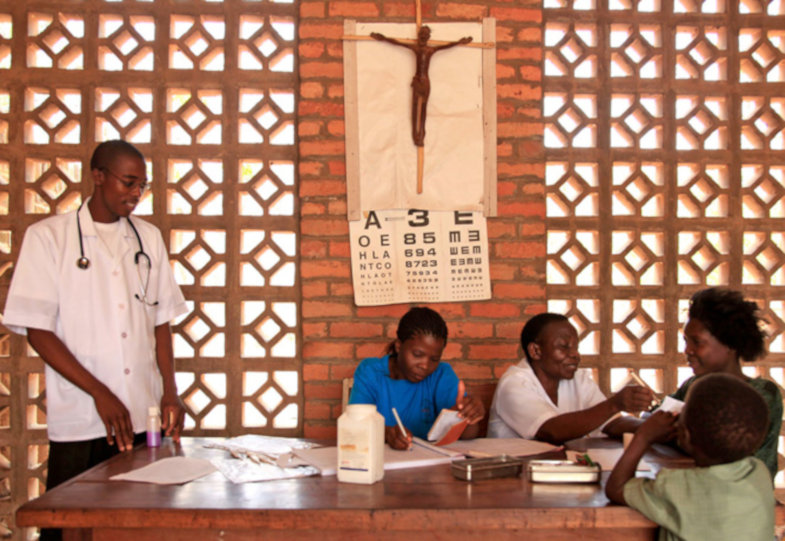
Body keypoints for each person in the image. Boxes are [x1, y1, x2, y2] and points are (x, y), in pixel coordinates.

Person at [3, 140, 188, 541]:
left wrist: (170, 391)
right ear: (98, 176)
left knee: (138, 528)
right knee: (72, 527)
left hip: (142, 414)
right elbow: (38, 329)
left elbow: (161, 322)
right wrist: (99, 392)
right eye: (128, 182)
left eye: (143, 185)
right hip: (84, 419)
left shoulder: (148, 239)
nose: (136, 193)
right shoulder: (48, 238)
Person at [614, 287, 782, 478]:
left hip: (740, 498)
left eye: (697, 342)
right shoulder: (693, 386)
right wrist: (656, 429)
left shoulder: (762, 395)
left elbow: (724, 455)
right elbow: (619, 425)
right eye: (686, 341)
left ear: (730, 344)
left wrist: (664, 431)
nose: (687, 350)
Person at [605, 373, 775, 541]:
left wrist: (643, 436)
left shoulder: (676, 486)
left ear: (684, 435)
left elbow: (616, 488)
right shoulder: (759, 474)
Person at [487, 313, 653, 443]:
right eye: (564, 347)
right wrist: (615, 404)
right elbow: (552, 431)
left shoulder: (578, 379)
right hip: (513, 478)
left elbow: (611, 423)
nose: (575, 354)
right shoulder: (514, 383)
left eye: (576, 347)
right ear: (535, 351)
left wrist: (654, 428)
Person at [348, 306, 485, 450]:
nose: (425, 366)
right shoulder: (371, 372)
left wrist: (470, 416)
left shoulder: (441, 374)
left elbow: (468, 436)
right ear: (399, 346)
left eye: (434, 359)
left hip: (430, 466)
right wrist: (387, 433)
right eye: (418, 355)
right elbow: (355, 427)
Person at [370, 26, 472, 147]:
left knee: (422, 110)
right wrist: (384, 38)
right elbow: (398, 43)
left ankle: (421, 136)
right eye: (421, 35)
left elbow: (447, 46)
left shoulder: (430, 50)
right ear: (419, 37)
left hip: (425, 83)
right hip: (417, 82)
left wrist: (460, 42)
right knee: (414, 108)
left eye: (425, 35)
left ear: (428, 37)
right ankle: (415, 135)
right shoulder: (416, 48)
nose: (423, 37)